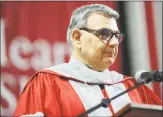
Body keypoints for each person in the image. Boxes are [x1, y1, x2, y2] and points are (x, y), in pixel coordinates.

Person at [14, 4, 162, 116]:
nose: (114, 43)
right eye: (105, 33)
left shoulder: (134, 88)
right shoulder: (47, 83)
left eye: (116, 36)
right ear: (77, 37)